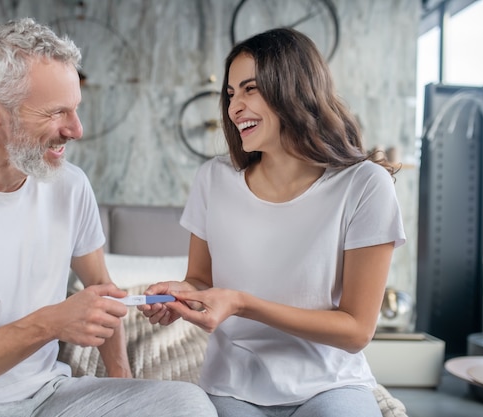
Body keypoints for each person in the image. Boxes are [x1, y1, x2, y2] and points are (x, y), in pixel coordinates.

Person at [0, 18, 216, 417]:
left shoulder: (69, 186)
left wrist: (122, 384)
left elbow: (101, 286)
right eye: (56, 113)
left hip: (46, 395)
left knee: (187, 405)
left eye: (76, 110)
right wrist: (49, 323)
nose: (76, 130)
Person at [140, 27, 406, 417]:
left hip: (331, 383)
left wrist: (243, 303)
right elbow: (200, 279)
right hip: (233, 384)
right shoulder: (213, 180)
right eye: (231, 94)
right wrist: (178, 297)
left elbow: (356, 330)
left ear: (293, 90)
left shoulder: (365, 185)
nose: (234, 108)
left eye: (250, 89)